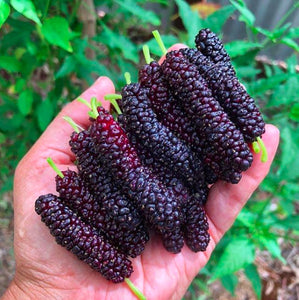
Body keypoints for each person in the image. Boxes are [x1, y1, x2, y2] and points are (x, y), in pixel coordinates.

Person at [2, 44, 279, 300]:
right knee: (142, 161)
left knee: (159, 150)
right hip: (148, 199)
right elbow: (134, 168)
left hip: (176, 177)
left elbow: (162, 148)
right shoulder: (102, 149)